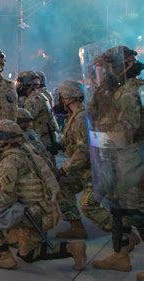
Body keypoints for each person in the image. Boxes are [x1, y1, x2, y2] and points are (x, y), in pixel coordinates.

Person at [0, 119, 86, 271]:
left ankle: (4, 258)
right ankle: (72, 248)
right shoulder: (24, 150)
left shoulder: (8, 160)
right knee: (28, 255)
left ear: (4, 140)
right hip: (44, 209)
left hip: (34, 214)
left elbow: (6, 197)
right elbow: (20, 177)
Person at [90, 45, 144, 272]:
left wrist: (99, 140)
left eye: (110, 67)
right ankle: (120, 255)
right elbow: (94, 114)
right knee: (118, 210)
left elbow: (125, 133)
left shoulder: (131, 93)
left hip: (133, 160)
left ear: (125, 66)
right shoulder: (115, 91)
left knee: (137, 212)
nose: (106, 72)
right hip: (117, 161)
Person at [55, 80, 115, 239]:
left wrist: (65, 169)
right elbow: (73, 141)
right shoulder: (74, 116)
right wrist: (59, 145)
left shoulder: (81, 118)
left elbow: (83, 151)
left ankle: (122, 233)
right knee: (61, 187)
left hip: (93, 172)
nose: (59, 100)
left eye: (61, 97)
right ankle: (76, 227)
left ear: (69, 98)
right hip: (84, 170)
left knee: (88, 204)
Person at [16, 70, 60, 156]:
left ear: (28, 86)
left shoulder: (35, 99)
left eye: (22, 85)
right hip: (42, 138)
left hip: (43, 140)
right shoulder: (36, 96)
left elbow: (24, 117)